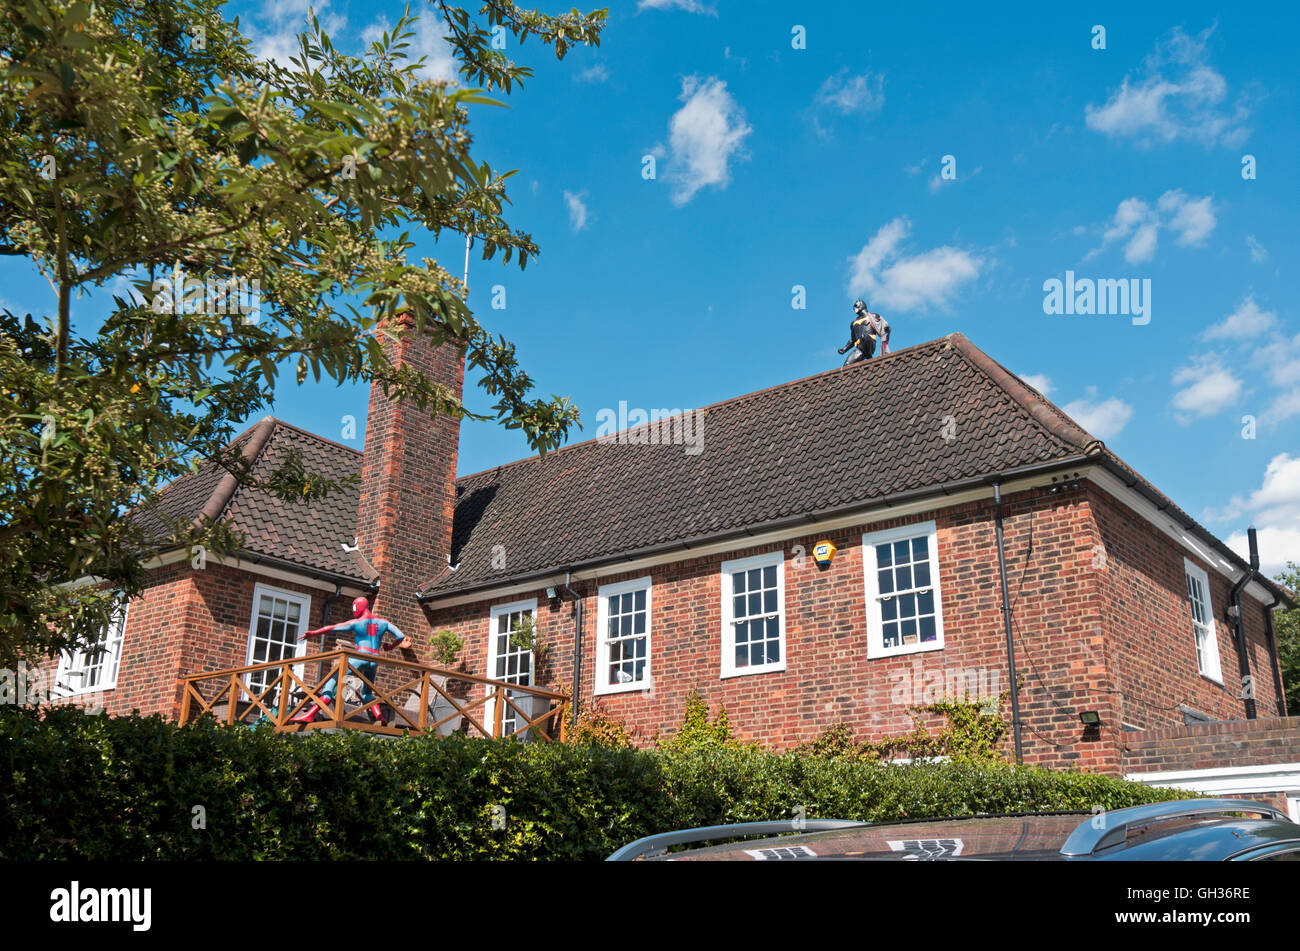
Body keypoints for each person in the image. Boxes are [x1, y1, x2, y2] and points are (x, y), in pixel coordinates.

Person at [289, 596, 410, 725]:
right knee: (367, 694)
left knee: (331, 683)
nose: (353, 611)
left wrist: (313, 633)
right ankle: (380, 718)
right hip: (374, 660)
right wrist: (390, 647)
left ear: (359, 607)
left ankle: (310, 714)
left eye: (354, 607)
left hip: (360, 657)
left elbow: (333, 628)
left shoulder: (357, 623)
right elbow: (401, 636)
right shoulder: (383, 623)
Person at [838, 299, 891, 365]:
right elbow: (853, 339)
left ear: (862, 305)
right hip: (859, 348)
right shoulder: (853, 323)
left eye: (856, 305)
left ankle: (869, 356)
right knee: (847, 364)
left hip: (869, 343)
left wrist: (887, 329)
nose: (855, 308)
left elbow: (884, 327)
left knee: (864, 337)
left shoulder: (873, 316)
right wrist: (844, 349)